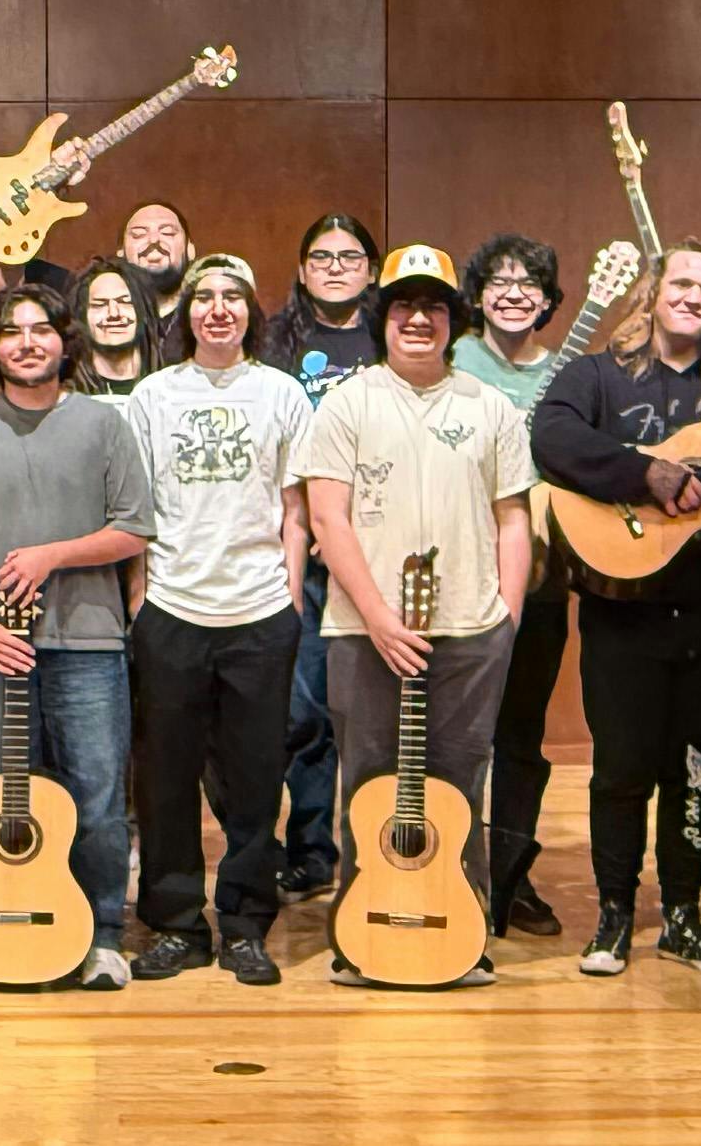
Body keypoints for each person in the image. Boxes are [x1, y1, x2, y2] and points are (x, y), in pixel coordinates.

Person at [296, 244, 537, 989]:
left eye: (435, 307)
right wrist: (378, 619)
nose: (420, 319)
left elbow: (514, 519)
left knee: (461, 786)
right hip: (363, 634)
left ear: (454, 321)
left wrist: (505, 618)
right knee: (369, 787)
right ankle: (361, 934)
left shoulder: (489, 407)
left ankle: (459, 931)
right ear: (383, 317)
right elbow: (326, 521)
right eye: (405, 305)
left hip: (470, 631)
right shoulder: (347, 403)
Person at [0, 283, 156, 990]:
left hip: (88, 643)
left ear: (63, 341)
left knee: (98, 795)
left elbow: (133, 528)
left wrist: (52, 555)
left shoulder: (103, 425)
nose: (27, 342)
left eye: (42, 329)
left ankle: (101, 932)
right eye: (12, 332)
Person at [535, 237, 701, 978]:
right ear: (653, 292)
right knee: (620, 766)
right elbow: (550, 436)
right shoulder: (599, 375)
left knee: (698, 769)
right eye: (681, 283)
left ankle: (684, 916)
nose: (692, 298)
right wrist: (645, 473)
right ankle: (615, 915)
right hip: (620, 605)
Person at [118, 254, 311, 986]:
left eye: (234, 296)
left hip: (260, 611)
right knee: (164, 779)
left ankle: (244, 923)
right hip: (171, 608)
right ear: (187, 313)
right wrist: (140, 604)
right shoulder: (151, 397)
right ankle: (174, 925)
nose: (219, 309)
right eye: (205, 297)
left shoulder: (282, 394)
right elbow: (135, 513)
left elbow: (296, 510)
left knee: (255, 777)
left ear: (250, 312)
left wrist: (290, 600)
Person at [450, 233, 575, 936]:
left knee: (521, 736)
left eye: (530, 280)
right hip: (449, 579)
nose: (514, 291)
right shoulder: (448, 359)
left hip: (540, 580)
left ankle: (510, 878)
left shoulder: (569, 375)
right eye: (499, 279)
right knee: (453, 735)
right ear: (476, 295)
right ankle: (450, 870)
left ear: (550, 300)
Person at [264, 213, 385, 897]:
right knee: (302, 709)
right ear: (303, 269)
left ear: (372, 266)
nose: (336, 266)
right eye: (321, 256)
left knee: (367, 710)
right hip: (299, 552)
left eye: (350, 255)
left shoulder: (390, 337)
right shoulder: (277, 342)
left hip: (376, 549)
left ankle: (374, 855)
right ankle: (310, 846)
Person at [67, 257, 160, 397]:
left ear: (144, 312)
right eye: (100, 304)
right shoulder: (62, 394)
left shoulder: (171, 388)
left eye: (125, 302)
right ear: (81, 316)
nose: (114, 313)